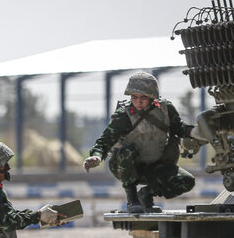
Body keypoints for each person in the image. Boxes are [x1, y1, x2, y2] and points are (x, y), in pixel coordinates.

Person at [84, 72, 201, 213]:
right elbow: (105, 141)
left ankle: (146, 194)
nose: (138, 101)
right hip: (126, 167)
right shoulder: (124, 115)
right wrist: (96, 156)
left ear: (152, 97)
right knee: (127, 152)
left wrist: (195, 132)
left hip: (155, 168)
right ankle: (132, 199)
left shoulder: (165, 109)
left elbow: (179, 128)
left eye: (143, 97)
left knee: (187, 181)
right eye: (134, 97)